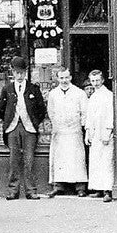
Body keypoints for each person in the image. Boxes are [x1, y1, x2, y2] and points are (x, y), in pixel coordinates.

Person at [0, 55, 47, 200]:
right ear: (12, 73)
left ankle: (31, 190)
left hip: (29, 128)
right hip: (13, 127)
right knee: (13, 159)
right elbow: (1, 109)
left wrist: (34, 122)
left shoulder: (33, 89)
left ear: (26, 73)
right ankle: (13, 190)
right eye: (17, 72)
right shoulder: (7, 89)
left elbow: (41, 109)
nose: (19, 76)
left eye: (22, 73)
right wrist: (9, 121)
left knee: (29, 159)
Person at [47, 68, 88, 197]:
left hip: (74, 131)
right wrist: (57, 124)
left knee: (76, 158)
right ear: (58, 79)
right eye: (61, 78)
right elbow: (51, 111)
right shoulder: (53, 94)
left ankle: (80, 187)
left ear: (70, 77)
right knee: (60, 158)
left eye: (66, 78)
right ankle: (59, 185)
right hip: (60, 131)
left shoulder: (79, 93)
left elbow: (85, 112)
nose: (64, 81)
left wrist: (80, 125)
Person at [85, 69, 115, 202]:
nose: (95, 83)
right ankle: (98, 188)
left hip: (104, 133)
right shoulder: (93, 96)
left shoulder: (108, 95)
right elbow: (89, 116)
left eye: (97, 80)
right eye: (93, 81)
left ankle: (107, 190)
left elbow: (110, 115)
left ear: (102, 80)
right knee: (96, 160)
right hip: (95, 133)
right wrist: (88, 132)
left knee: (106, 161)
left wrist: (107, 132)